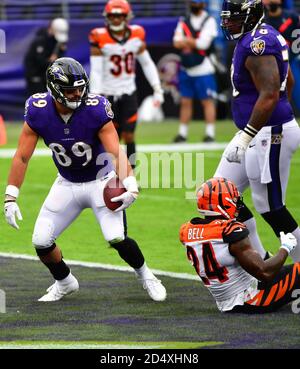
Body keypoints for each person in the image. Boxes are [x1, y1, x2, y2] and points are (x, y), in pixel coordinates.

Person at [4, 57, 167, 303]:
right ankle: (65, 282)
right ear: (55, 89)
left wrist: (131, 185)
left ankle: (146, 275)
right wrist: (10, 196)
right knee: (41, 241)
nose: (78, 94)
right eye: (71, 90)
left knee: (116, 237)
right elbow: (22, 156)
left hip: (101, 182)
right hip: (66, 183)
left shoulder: (95, 108)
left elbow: (115, 151)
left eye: (81, 88)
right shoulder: (38, 110)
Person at [214, 0, 300, 262]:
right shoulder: (255, 36)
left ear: (252, 16)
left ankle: (298, 263)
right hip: (257, 132)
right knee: (219, 195)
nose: (228, 23)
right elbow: (289, 81)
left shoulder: (257, 43)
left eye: (235, 17)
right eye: (227, 17)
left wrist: (249, 133)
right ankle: (262, 260)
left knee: (270, 206)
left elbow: (272, 92)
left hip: (269, 133)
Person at [180, 177, 300, 313]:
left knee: (282, 270)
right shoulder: (230, 231)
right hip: (250, 299)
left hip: (225, 302)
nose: (237, 204)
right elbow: (265, 273)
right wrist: (285, 248)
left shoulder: (187, 231)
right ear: (224, 203)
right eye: (234, 199)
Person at [88, 0, 164, 169]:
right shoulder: (98, 35)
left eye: (120, 15)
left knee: (129, 135)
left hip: (129, 92)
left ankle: (130, 176)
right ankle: (108, 173)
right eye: (113, 16)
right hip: (107, 94)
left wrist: (157, 88)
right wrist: (96, 96)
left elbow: (147, 63)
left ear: (127, 16)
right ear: (107, 17)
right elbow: (97, 70)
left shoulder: (137, 34)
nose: (116, 19)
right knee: (110, 137)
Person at [172, 0, 218, 143]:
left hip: (203, 68)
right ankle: (182, 134)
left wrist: (186, 42)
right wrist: (192, 42)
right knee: (185, 101)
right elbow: (176, 42)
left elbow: (203, 44)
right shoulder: (184, 20)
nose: (195, 5)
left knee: (207, 101)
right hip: (186, 68)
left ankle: (210, 133)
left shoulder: (209, 20)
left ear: (203, 4)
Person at [263, 0, 300, 109]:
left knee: (293, 84)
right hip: (270, 61)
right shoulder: (263, 20)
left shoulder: (292, 17)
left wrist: (294, 54)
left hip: (291, 58)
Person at [24, 18, 69, 97]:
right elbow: (39, 61)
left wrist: (60, 53)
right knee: (38, 99)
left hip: (48, 77)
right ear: (51, 28)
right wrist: (51, 61)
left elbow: (58, 60)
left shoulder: (57, 41)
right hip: (36, 76)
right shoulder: (40, 41)